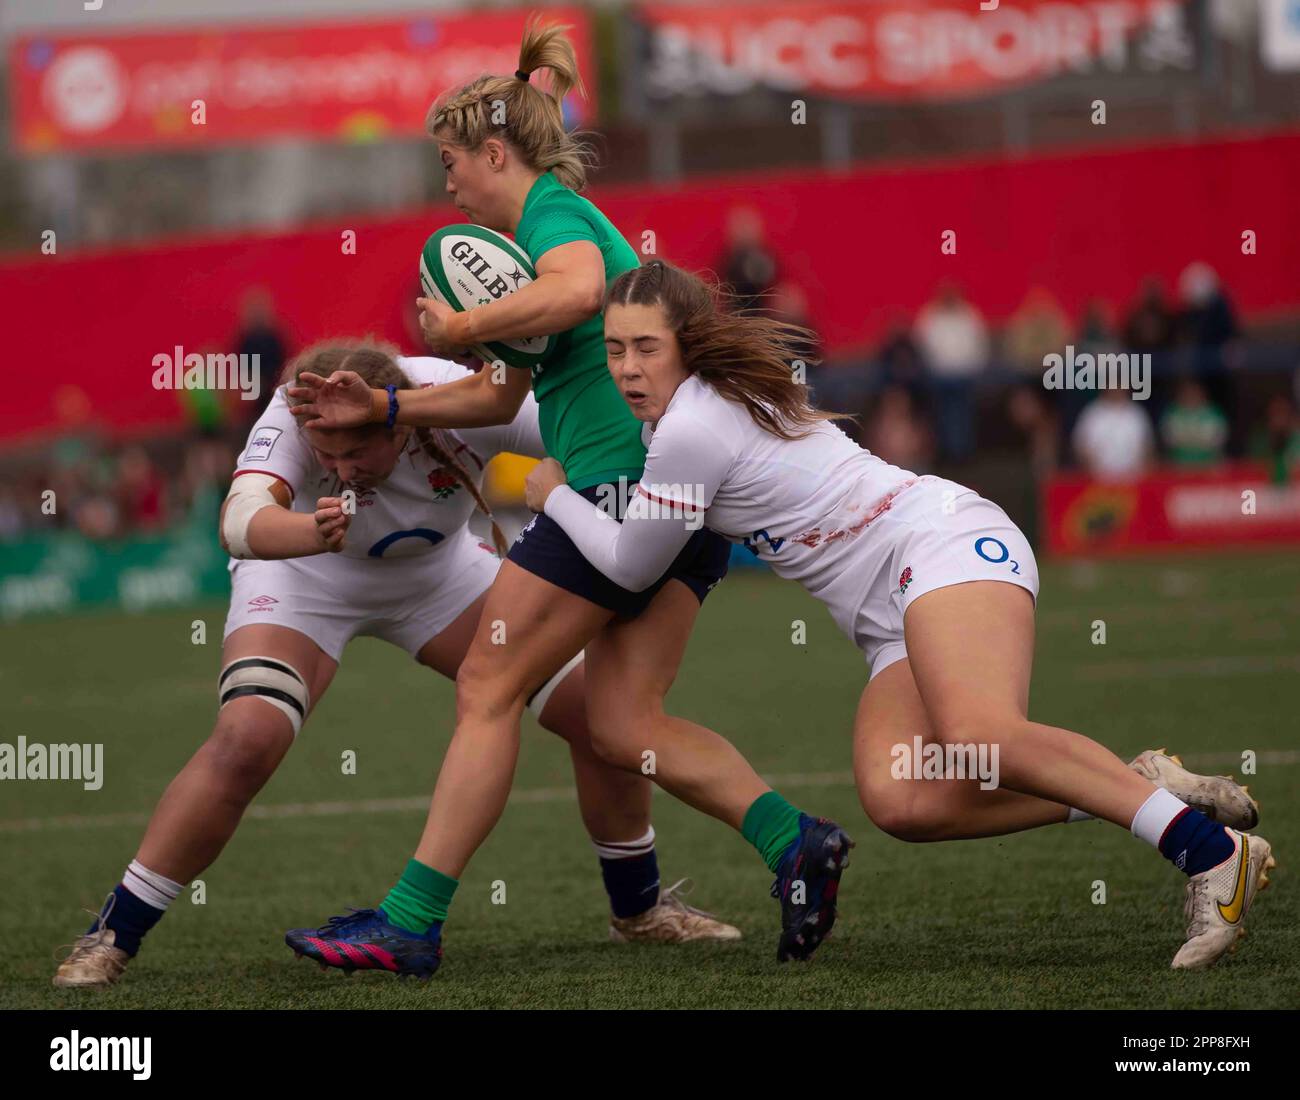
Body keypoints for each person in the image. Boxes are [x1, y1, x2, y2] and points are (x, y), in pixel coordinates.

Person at [282, 20, 851, 978]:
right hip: (666, 500)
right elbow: (501, 396)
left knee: (488, 684)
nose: (447, 182)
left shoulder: (552, 217)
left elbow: (582, 290)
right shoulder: (523, 256)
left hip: (614, 490)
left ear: (495, 152)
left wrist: (462, 320)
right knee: (623, 723)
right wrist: (387, 402)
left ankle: (411, 922)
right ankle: (795, 840)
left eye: (451, 160)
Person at [525, 260, 1272, 971]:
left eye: (645, 348)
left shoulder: (690, 425)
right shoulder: (686, 414)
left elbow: (629, 563)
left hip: (941, 542)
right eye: (614, 348)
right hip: (893, 611)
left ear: (685, 345)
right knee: (903, 798)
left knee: (980, 736)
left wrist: (550, 493)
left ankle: (1210, 854)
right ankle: (1140, 785)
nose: (626, 367)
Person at [52, 340, 738, 989]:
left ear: (399, 423)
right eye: (329, 452)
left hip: (439, 578)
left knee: (598, 715)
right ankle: (113, 934)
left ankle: (640, 912)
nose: (344, 466)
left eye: (359, 448)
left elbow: (592, 431)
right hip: (304, 575)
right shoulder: (300, 405)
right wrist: (307, 530)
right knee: (246, 740)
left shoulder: (454, 396)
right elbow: (238, 520)